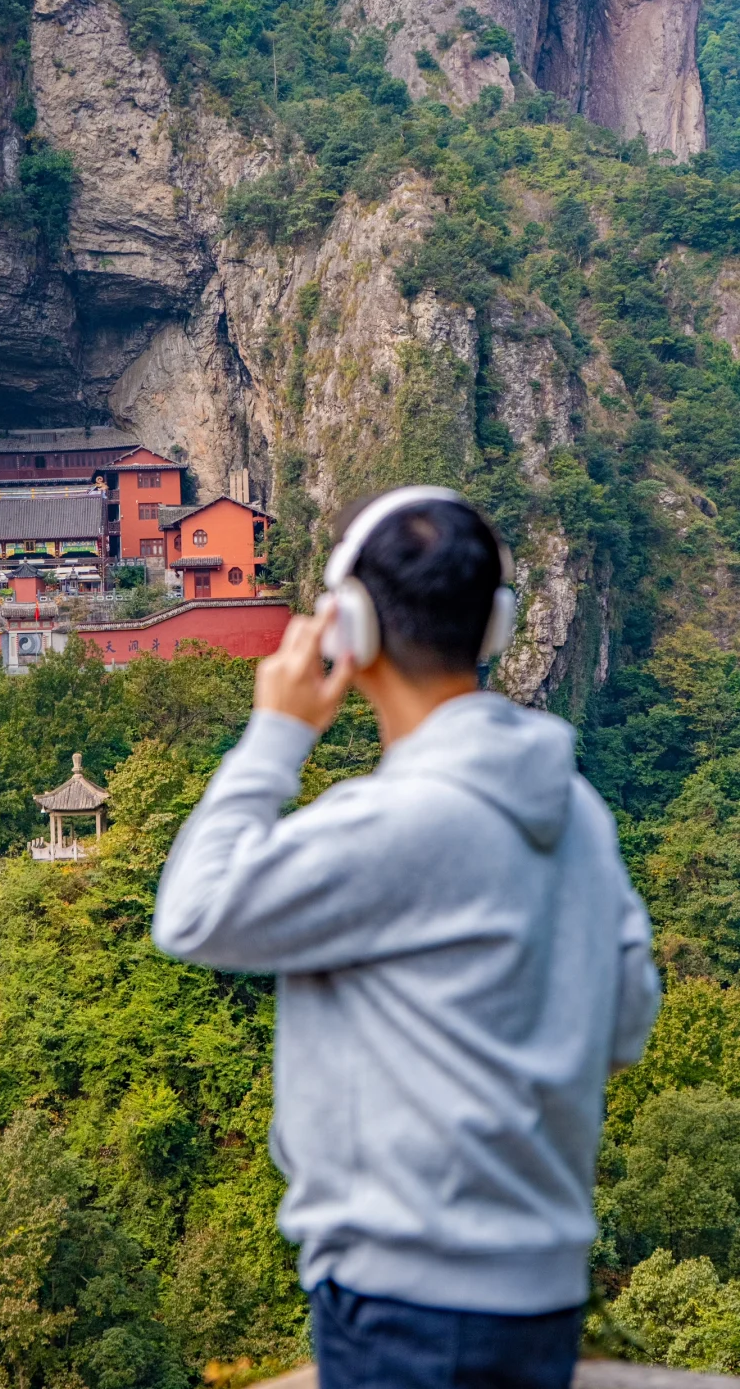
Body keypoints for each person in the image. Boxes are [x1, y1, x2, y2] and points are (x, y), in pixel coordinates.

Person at [151, 487, 660, 1389]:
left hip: (410, 1302)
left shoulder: (391, 823)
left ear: (351, 628)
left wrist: (276, 736)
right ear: (497, 626)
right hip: (543, 1291)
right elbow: (625, 1024)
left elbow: (191, 911)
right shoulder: (578, 809)